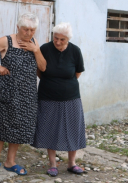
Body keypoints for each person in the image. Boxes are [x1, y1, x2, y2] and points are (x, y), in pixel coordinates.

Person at [0, 13, 46, 175]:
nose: (28, 33)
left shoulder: (35, 43)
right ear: (18, 28)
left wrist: (36, 50)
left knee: (20, 126)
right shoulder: (6, 41)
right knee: (1, 123)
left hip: (27, 93)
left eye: (32, 30)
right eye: (25, 29)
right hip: (5, 90)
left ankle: (10, 161)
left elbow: (42, 68)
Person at [31, 22, 86, 177]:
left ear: (68, 39)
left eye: (62, 39)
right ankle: (52, 164)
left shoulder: (75, 51)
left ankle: (71, 163)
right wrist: (52, 82)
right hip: (48, 96)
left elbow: (77, 72)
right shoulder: (45, 49)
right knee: (50, 128)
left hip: (71, 97)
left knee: (73, 129)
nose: (58, 42)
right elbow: (39, 70)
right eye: (56, 38)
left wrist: (65, 84)